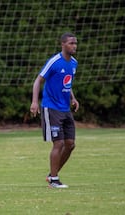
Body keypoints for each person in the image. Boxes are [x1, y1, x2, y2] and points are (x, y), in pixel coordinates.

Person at [30, 32, 79, 188]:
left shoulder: (74, 63)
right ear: (63, 44)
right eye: (71, 43)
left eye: (75, 43)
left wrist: (73, 98)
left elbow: (67, 83)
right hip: (51, 108)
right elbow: (38, 80)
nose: (74, 46)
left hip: (65, 109)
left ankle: (52, 174)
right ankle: (54, 179)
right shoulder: (54, 62)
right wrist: (34, 102)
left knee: (70, 144)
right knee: (58, 144)